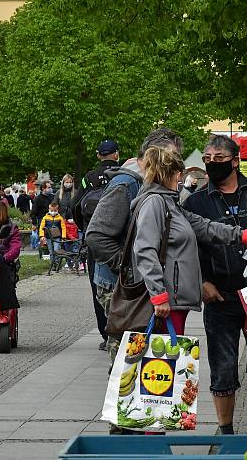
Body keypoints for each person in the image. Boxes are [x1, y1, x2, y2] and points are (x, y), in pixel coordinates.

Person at [182, 134, 247, 435]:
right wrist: (201, 281)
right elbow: (188, 247)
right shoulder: (197, 201)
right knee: (223, 371)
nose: (212, 164)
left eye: (218, 159)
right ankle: (225, 434)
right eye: (207, 159)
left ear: (235, 161)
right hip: (220, 296)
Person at [128, 146, 247, 336]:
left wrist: (246, 235)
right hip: (167, 301)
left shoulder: (169, 203)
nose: (181, 178)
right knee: (163, 362)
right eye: (179, 173)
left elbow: (205, 226)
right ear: (171, 173)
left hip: (175, 301)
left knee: (170, 361)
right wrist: (158, 295)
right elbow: (145, 250)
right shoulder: (155, 203)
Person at [86, 127, 184, 359]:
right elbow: (96, 235)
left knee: (144, 361)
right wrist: (127, 266)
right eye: (170, 159)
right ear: (151, 156)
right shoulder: (127, 184)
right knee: (126, 359)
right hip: (120, 287)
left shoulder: (155, 186)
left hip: (140, 286)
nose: (175, 167)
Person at [74, 139, 120, 350]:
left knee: (98, 286)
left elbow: (76, 206)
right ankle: (124, 329)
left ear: (98, 155)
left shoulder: (88, 178)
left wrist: (86, 229)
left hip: (95, 241)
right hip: (120, 239)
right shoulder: (124, 176)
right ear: (116, 154)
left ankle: (106, 333)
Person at [30, 181, 54, 253]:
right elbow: (34, 212)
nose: (50, 189)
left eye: (50, 187)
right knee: (43, 238)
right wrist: (34, 223)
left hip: (52, 219)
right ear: (43, 188)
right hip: (42, 220)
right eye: (48, 187)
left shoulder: (52, 197)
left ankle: (50, 252)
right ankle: (43, 252)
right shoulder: (38, 198)